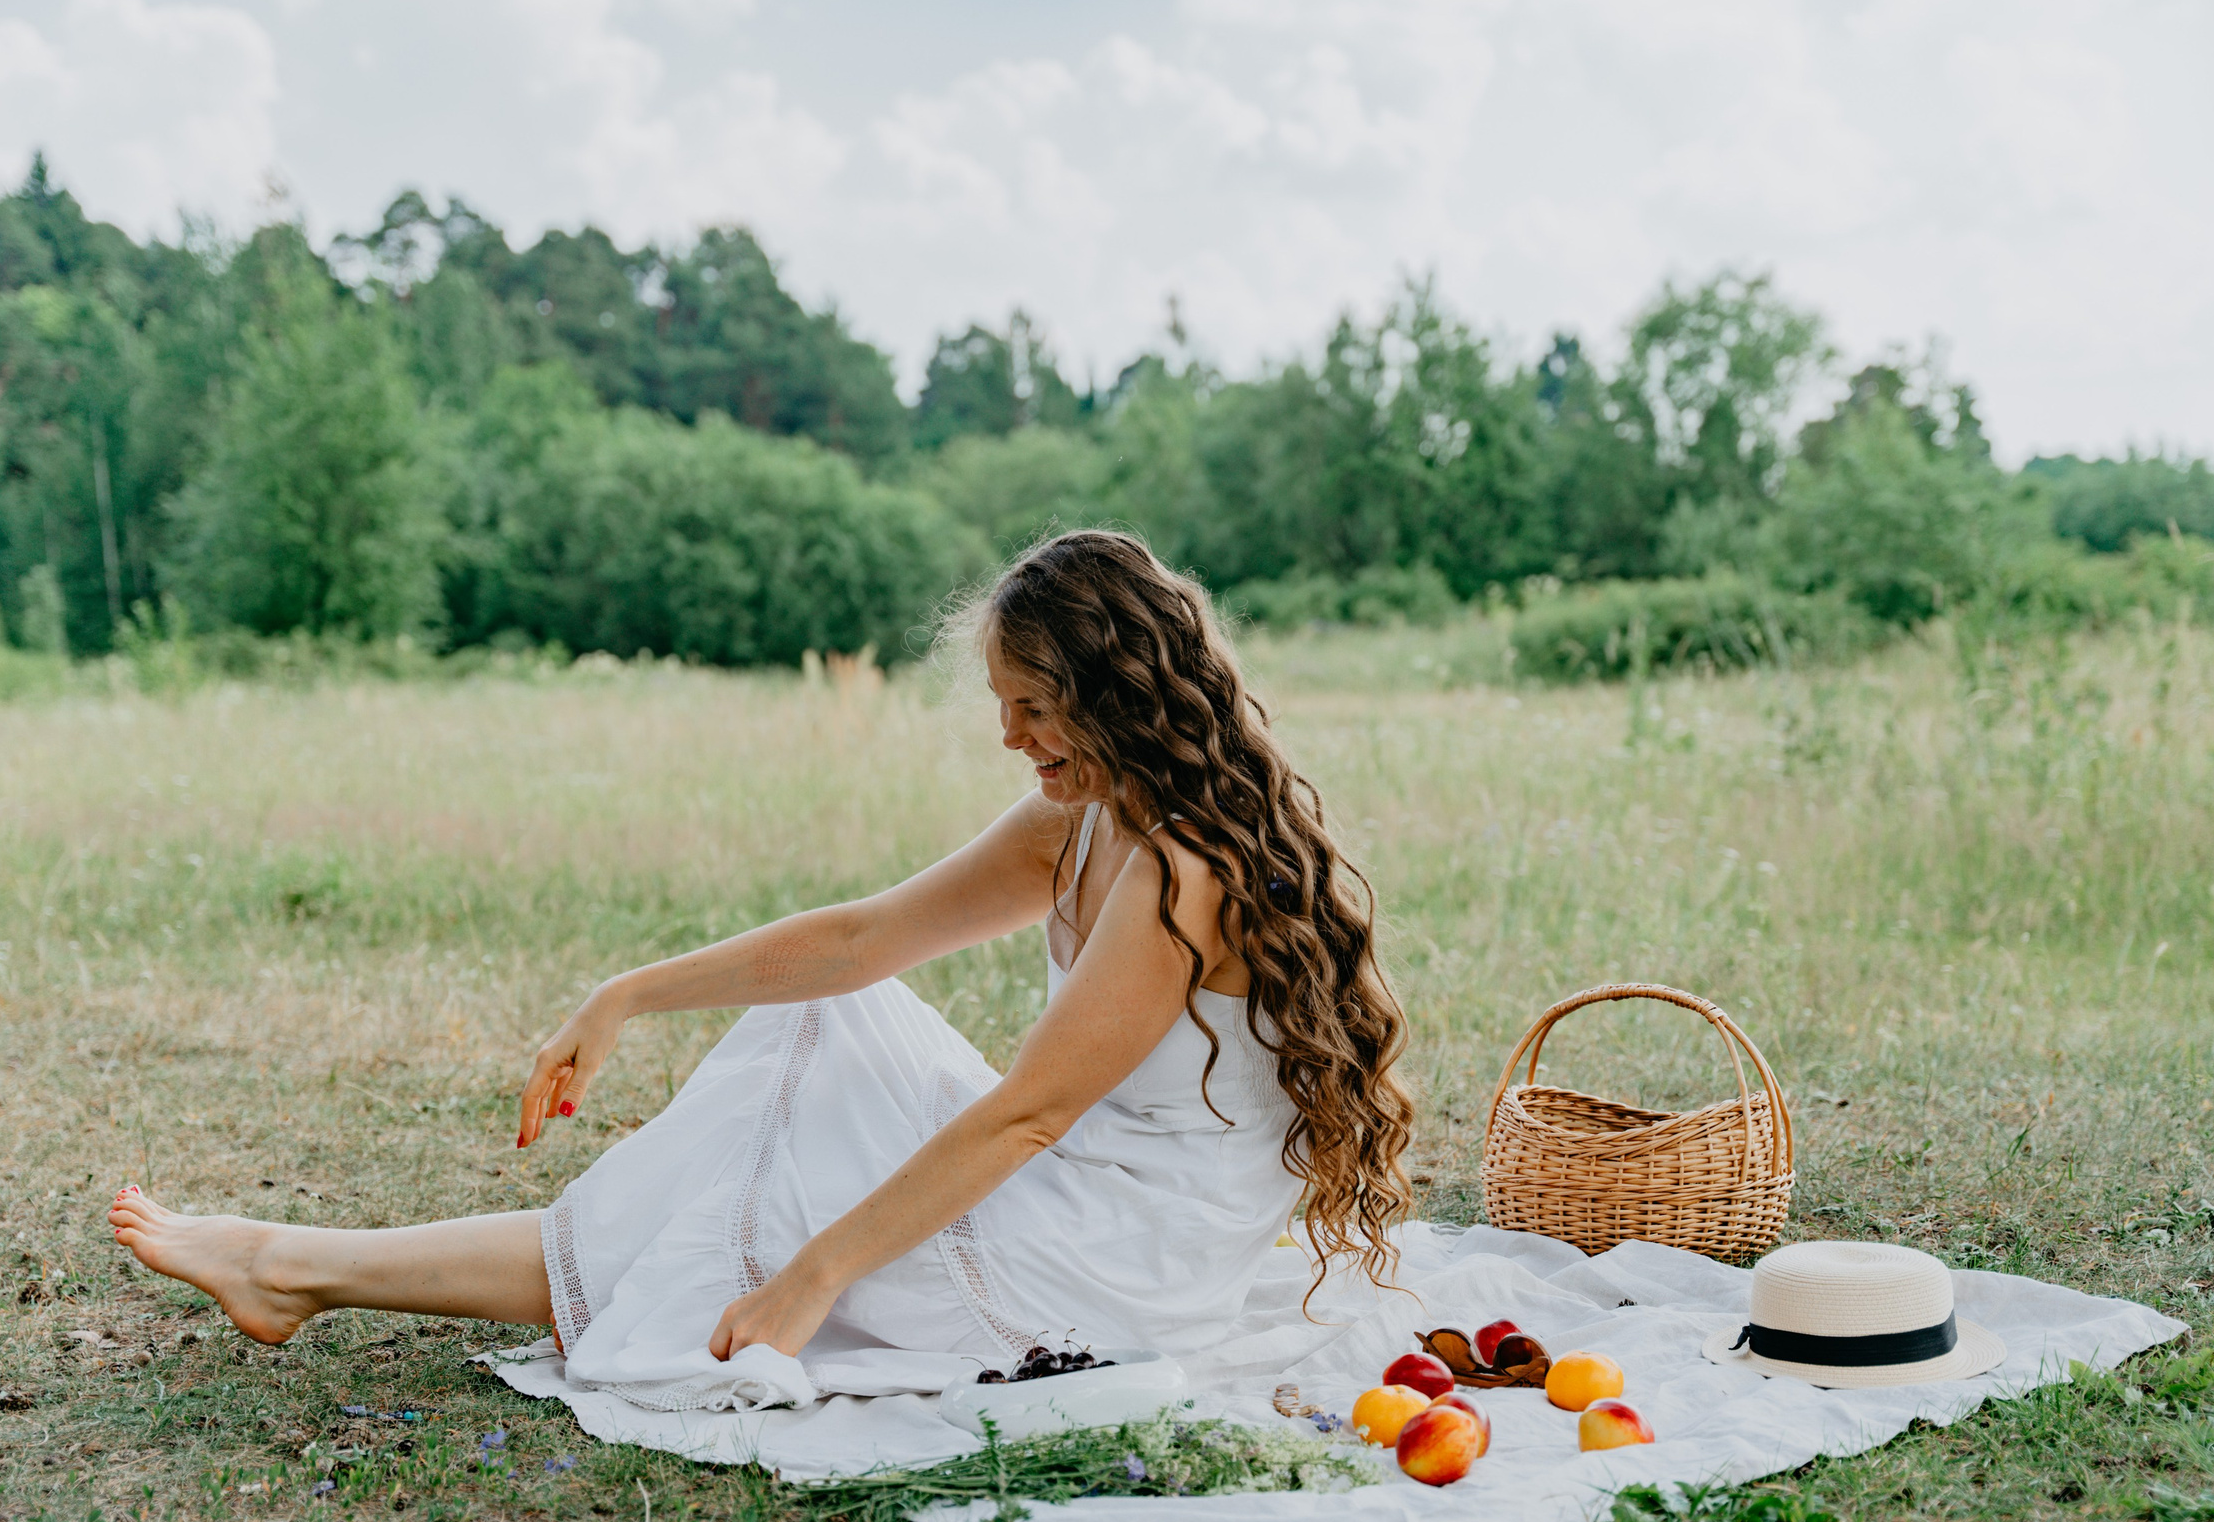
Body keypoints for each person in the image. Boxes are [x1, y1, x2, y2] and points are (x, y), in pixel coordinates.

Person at [108, 530, 1413, 1410]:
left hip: (1125, 1255)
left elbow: (1031, 1111)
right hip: (1079, 1188)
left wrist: (818, 1276)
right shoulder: (1079, 822)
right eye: (1003, 704)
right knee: (823, 1036)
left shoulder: (1184, 870)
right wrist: (623, 994)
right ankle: (293, 1267)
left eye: (1029, 704)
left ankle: (293, 1266)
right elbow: (861, 939)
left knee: (780, 1195)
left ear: (1114, 693)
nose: (1007, 734)